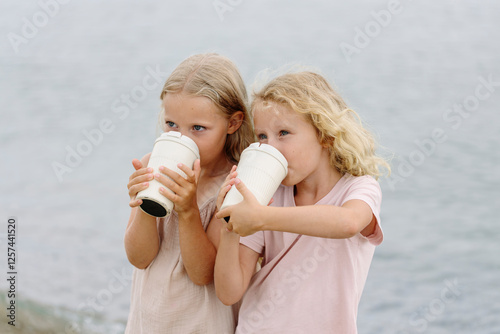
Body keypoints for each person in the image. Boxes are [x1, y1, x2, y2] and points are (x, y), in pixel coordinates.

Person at [214, 71, 391, 333]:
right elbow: (229, 293)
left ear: (325, 135)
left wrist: (260, 218)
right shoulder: (266, 196)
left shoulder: (359, 188)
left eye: (283, 133)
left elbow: (347, 223)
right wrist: (231, 224)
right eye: (262, 137)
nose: (270, 147)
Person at [124, 53, 254, 333]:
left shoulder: (233, 185)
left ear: (232, 123)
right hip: (148, 324)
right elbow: (139, 257)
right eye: (171, 125)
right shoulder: (153, 164)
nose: (182, 138)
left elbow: (202, 274)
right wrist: (144, 204)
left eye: (198, 128)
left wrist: (188, 210)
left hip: (200, 324)